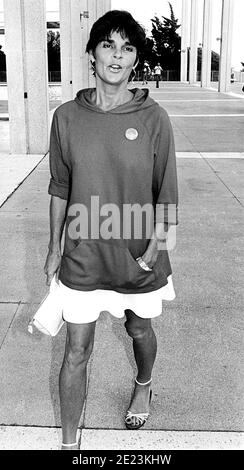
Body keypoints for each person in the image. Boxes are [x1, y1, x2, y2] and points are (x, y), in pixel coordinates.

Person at [44, 10, 178, 450]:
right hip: (83, 252)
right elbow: (60, 186)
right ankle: (68, 446)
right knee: (75, 351)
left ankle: (144, 382)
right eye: (108, 45)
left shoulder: (154, 117)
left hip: (137, 248)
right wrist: (52, 247)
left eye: (127, 48)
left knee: (139, 329)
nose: (117, 56)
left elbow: (166, 188)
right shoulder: (66, 117)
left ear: (135, 59)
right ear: (92, 53)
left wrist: (155, 248)